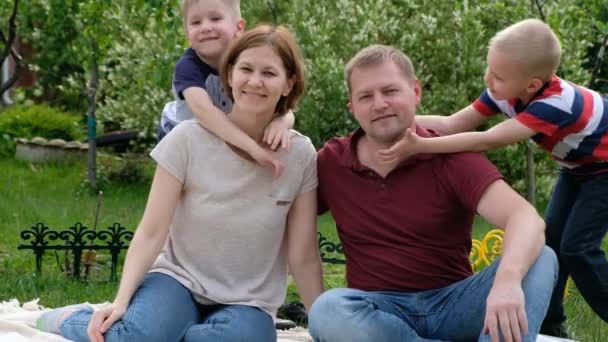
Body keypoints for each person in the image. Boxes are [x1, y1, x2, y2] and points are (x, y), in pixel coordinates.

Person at [36, 24, 324, 342]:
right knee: (140, 336)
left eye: (269, 73)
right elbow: (151, 231)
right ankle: (71, 320)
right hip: (177, 280)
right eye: (246, 69)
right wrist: (120, 301)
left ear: (288, 84)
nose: (255, 81)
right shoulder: (187, 138)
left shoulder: (300, 154)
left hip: (248, 301)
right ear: (229, 75)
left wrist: (322, 329)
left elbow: (303, 254)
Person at [307, 44, 558, 342]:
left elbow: (525, 218)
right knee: (327, 310)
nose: (379, 104)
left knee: (540, 258)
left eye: (390, 91)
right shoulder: (332, 162)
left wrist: (506, 282)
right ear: (352, 106)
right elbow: (280, 213)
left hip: (455, 305)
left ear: (415, 92)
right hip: (378, 312)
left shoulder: (450, 155)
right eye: (366, 96)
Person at [377, 18, 608, 337]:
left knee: (577, 248)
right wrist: (385, 121)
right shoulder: (505, 90)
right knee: (550, 244)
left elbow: (488, 139)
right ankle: (552, 325)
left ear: (531, 84)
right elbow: (451, 123)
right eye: (489, 69)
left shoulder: (554, 104)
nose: (488, 79)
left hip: (604, 172)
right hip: (578, 167)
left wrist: (422, 146)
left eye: (497, 76)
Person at [158, 0, 295, 177]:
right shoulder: (187, 67)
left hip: (224, 130)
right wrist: (252, 147)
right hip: (180, 130)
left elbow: (280, 104)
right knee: (191, 186)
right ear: (187, 34)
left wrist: (282, 120)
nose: (205, 27)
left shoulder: (247, 61)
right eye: (196, 22)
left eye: (215, 18)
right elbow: (205, 113)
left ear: (239, 27)